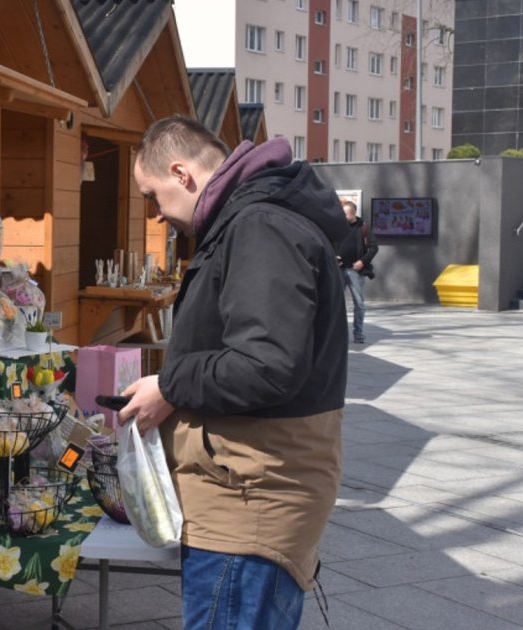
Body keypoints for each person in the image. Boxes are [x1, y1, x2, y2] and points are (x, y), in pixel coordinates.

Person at [119, 115, 348, 629]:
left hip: (251, 501)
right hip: (246, 488)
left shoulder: (259, 226)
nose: (155, 216)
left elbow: (265, 365)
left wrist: (170, 385)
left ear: (181, 174)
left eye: (152, 195)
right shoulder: (252, 220)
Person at [336, 199, 378, 343]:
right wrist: (334, 256)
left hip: (355, 271)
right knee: (335, 304)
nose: (343, 217)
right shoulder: (338, 227)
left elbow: (373, 248)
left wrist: (362, 261)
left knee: (359, 304)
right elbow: (328, 243)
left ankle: (358, 333)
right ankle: (337, 334)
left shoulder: (363, 228)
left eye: (345, 214)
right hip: (339, 270)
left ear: (353, 214)